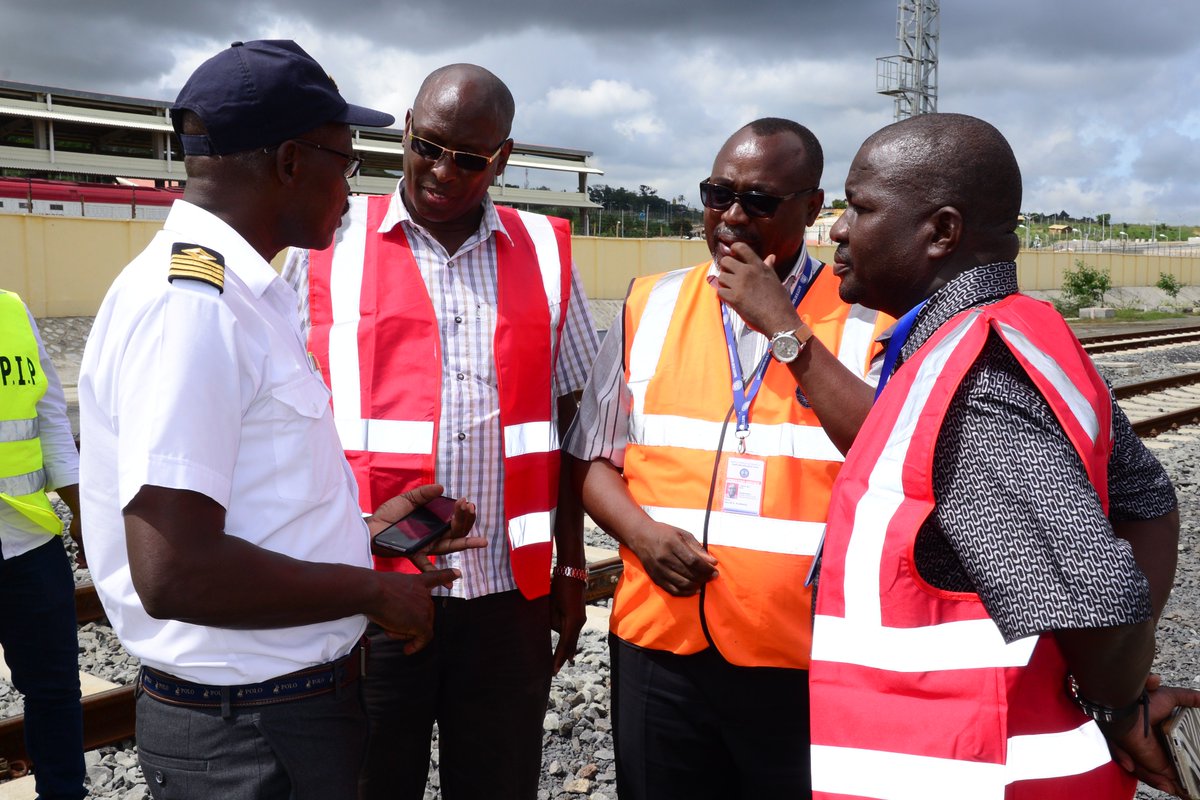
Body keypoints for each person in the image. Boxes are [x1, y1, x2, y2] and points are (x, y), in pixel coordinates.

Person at [78, 40, 482, 800]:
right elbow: (175, 572)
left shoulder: (240, 295)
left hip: (268, 716)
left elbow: (240, 508)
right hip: (249, 734)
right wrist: (370, 592)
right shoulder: (192, 308)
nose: (352, 188)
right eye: (346, 160)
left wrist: (357, 537)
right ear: (292, 162)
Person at [808, 112, 1197, 799]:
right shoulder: (1018, 332)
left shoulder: (975, 381)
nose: (838, 228)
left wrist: (1118, 702)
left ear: (943, 233)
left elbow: (1097, 601)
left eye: (860, 207)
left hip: (974, 773)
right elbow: (1149, 501)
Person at [281, 63, 600, 799]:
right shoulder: (326, 240)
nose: (442, 171)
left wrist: (572, 566)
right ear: (406, 129)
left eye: (469, 158)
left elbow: (575, 418)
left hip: (505, 598)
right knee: (369, 781)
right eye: (428, 146)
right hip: (374, 586)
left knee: (497, 782)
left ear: (504, 158)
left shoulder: (546, 252)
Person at [564, 118, 893, 799]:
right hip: (660, 643)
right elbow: (592, 459)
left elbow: (894, 455)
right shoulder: (648, 304)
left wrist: (782, 324)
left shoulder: (871, 317)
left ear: (810, 207)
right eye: (718, 193)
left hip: (801, 653)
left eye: (761, 201)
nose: (733, 215)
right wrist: (641, 533)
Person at [0, 290, 85, 800]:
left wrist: (80, 514)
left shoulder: (11, 310)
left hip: (27, 538)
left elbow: (51, 419)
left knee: (54, 689)